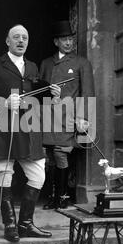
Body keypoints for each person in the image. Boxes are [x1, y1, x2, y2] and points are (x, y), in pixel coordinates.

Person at [0, 25, 61, 242]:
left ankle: (26, 224)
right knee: (5, 174)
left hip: (28, 129)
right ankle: (10, 225)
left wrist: (53, 95)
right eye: (16, 37)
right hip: (2, 128)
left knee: (38, 174)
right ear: (7, 41)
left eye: (25, 37)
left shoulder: (32, 67)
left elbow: (37, 94)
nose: (21, 41)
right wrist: (3, 102)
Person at [40, 21, 95, 209]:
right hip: (48, 117)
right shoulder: (46, 63)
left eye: (70, 39)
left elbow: (87, 93)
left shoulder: (81, 63)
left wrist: (83, 118)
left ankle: (63, 196)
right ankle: (53, 196)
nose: (68, 43)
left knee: (61, 154)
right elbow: (40, 91)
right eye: (64, 39)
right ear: (56, 42)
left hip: (68, 118)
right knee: (49, 158)